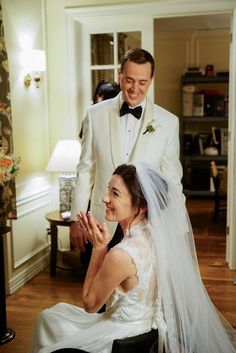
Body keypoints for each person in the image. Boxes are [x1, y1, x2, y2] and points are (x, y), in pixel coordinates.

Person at [29, 162, 236, 353]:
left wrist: (99, 248)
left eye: (115, 193)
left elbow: (90, 305)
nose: (104, 198)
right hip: (145, 327)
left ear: (142, 205)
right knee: (49, 317)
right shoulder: (155, 236)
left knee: (47, 340)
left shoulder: (121, 254)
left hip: (120, 337)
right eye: (108, 189)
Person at [70, 48, 185, 265]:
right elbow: (85, 170)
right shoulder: (94, 115)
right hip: (100, 223)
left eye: (142, 82)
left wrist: (178, 228)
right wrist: (77, 219)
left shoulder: (168, 122)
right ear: (120, 76)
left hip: (146, 227)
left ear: (151, 79)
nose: (135, 88)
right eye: (129, 80)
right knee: (95, 294)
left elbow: (172, 181)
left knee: (138, 296)